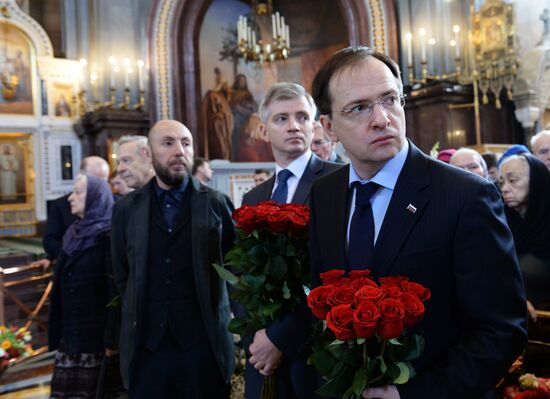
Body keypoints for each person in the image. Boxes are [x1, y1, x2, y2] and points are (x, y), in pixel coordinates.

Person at [310, 46, 527, 399]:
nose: (381, 118)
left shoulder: (466, 196)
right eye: (359, 108)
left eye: (389, 100)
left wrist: (410, 395)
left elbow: (501, 330)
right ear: (329, 127)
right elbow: (323, 298)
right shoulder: (325, 194)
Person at [111, 120, 235, 398]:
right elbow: (121, 274)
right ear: (149, 154)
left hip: (202, 348)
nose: (179, 151)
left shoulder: (215, 203)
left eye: (186, 143)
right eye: (168, 143)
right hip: (147, 350)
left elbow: (234, 269)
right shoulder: (126, 210)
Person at [241, 82, 341, 399]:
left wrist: (281, 338)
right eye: (281, 119)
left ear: (314, 125)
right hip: (265, 358)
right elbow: (243, 277)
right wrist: (256, 338)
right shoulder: (253, 196)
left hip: (318, 352)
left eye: (302, 117)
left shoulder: (338, 180)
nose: (294, 125)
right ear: (263, 129)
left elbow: (338, 269)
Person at [48, 174, 120, 398]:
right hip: (70, 338)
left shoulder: (107, 235)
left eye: (78, 192)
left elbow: (113, 291)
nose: (71, 197)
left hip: (96, 342)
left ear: (95, 198)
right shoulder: (73, 232)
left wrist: (111, 340)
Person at [499, 154, 550, 319]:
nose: (505, 188)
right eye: (501, 182)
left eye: (512, 180)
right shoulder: (499, 221)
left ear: (537, 182)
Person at [42, 156, 110, 265]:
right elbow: (50, 241)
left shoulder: (118, 204)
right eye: (93, 179)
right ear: (80, 175)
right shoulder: (61, 205)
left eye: (103, 181)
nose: (99, 186)